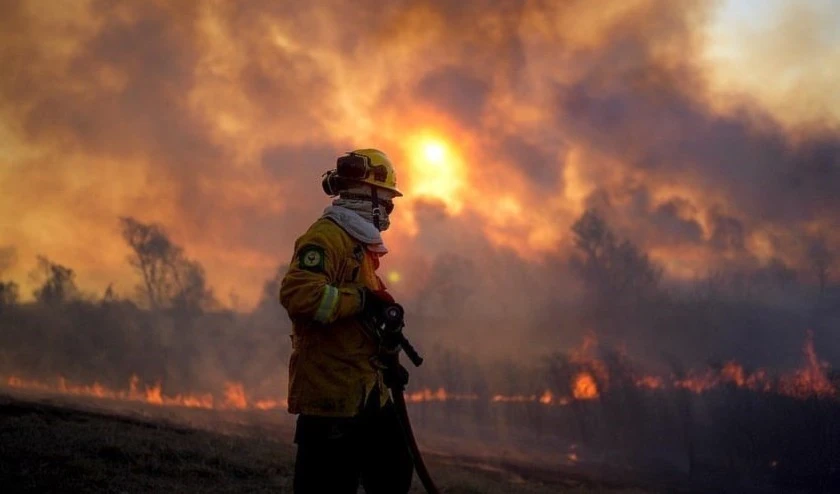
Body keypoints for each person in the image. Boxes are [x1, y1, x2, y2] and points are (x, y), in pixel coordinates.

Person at [279, 149, 414, 494]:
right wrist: (362, 299)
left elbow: (358, 323)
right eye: (387, 202)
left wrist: (386, 359)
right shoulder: (325, 238)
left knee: (395, 470)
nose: (389, 212)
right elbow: (300, 296)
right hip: (331, 398)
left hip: (367, 393)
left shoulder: (359, 245)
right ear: (367, 197)